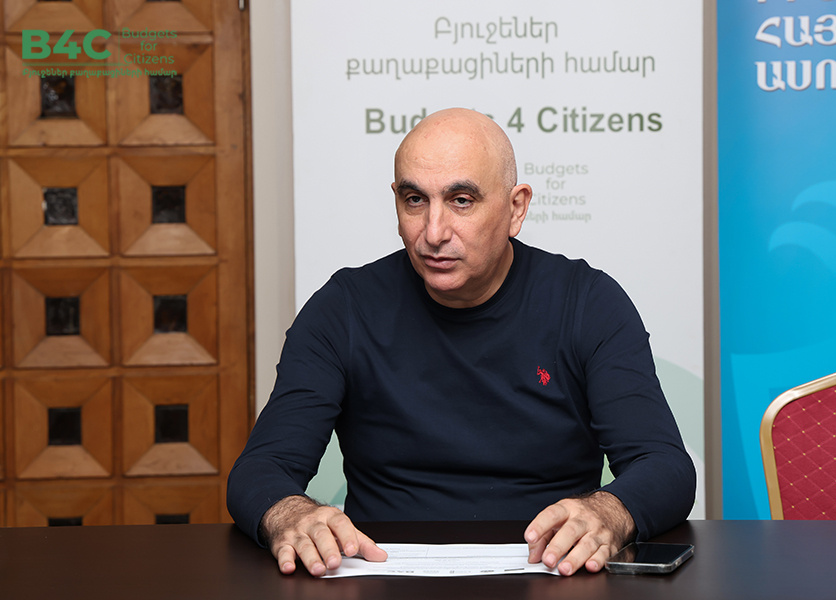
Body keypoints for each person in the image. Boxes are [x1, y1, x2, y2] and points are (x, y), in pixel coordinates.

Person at [227, 108, 695, 577]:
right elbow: (262, 468)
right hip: (383, 574)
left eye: (462, 201)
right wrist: (289, 513)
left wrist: (608, 512)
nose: (433, 232)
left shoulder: (588, 303)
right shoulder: (343, 309)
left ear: (516, 208)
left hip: (551, 571)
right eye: (414, 200)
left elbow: (664, 465)